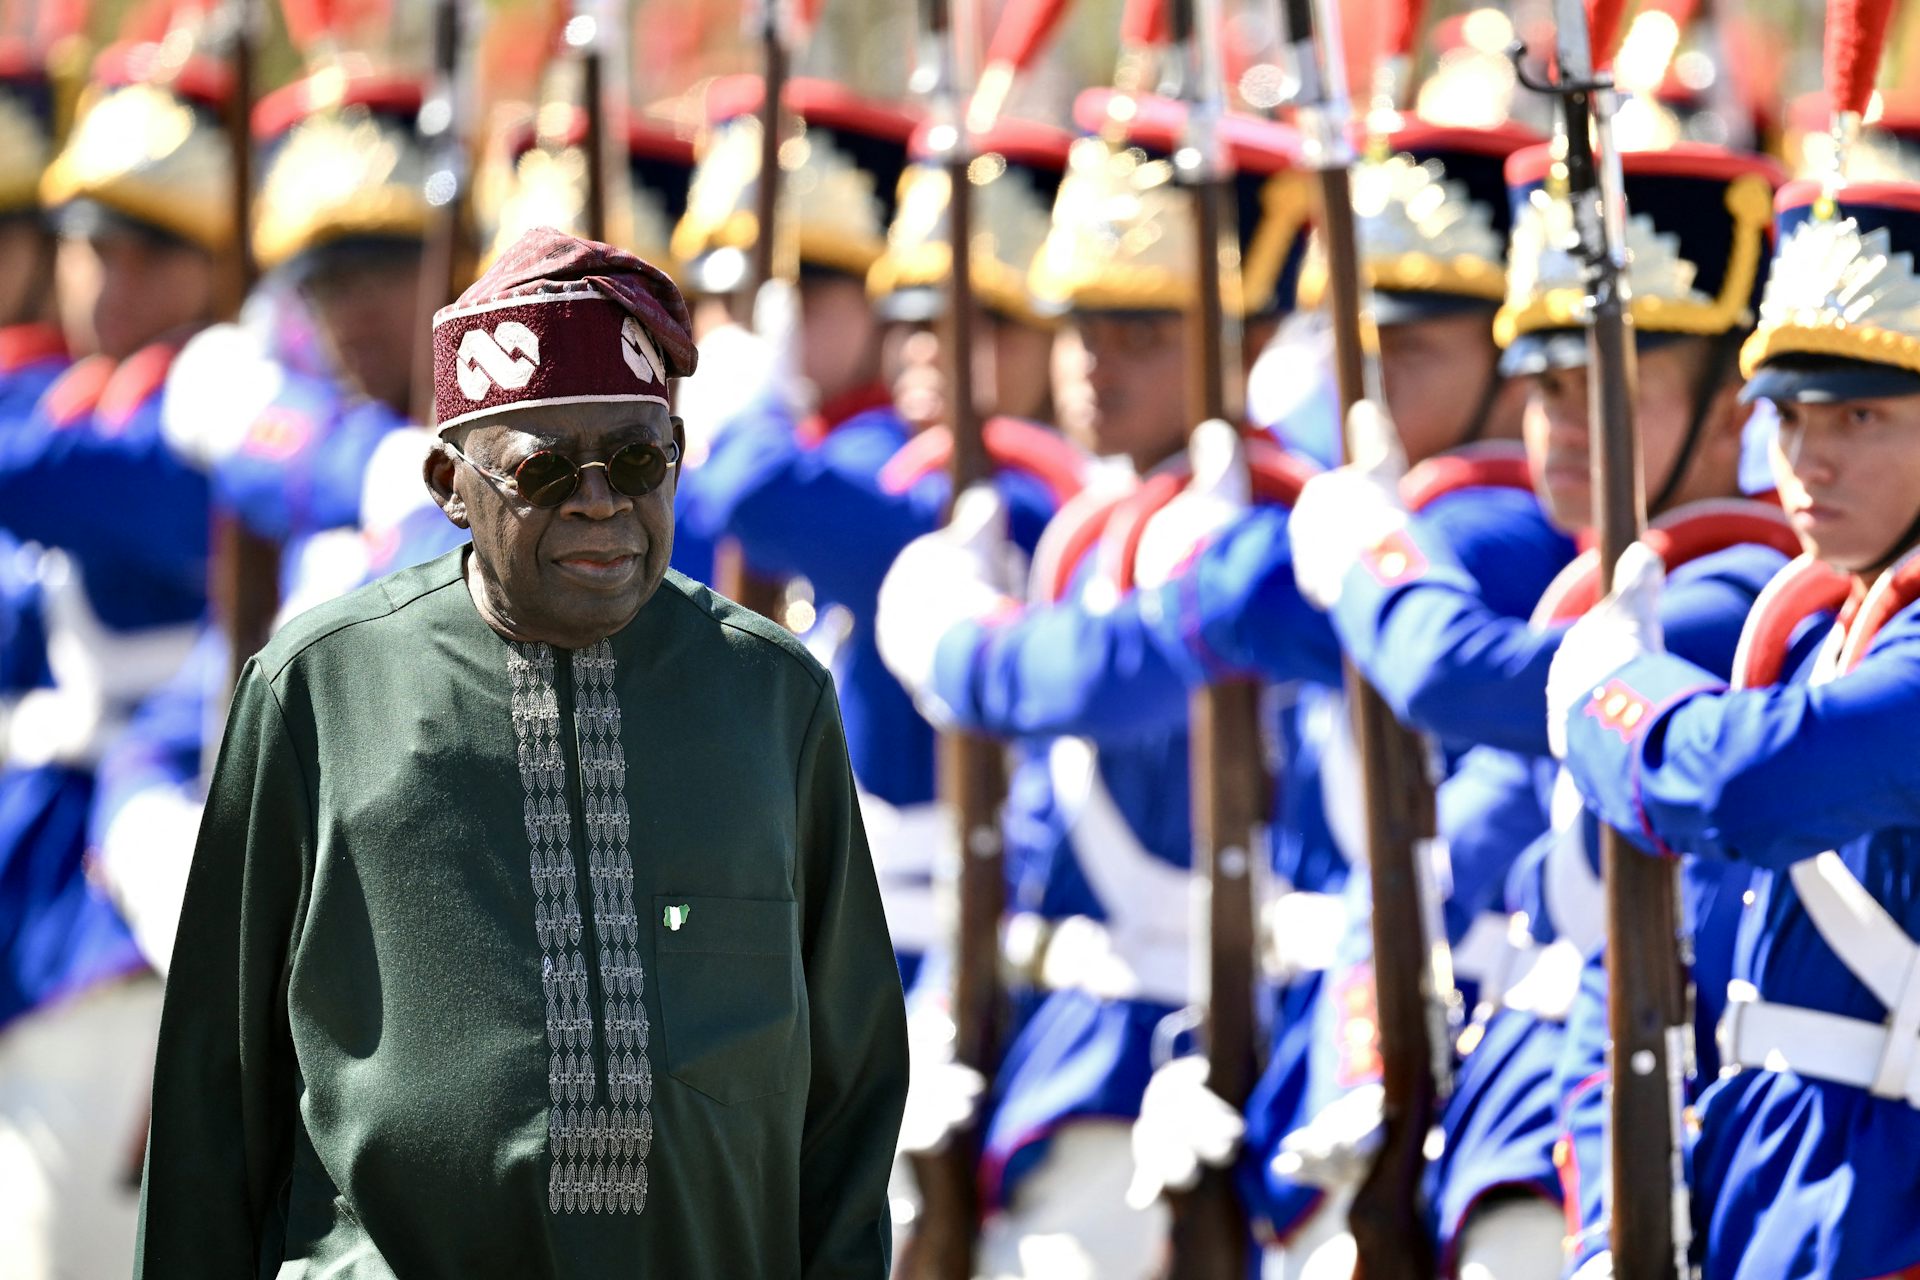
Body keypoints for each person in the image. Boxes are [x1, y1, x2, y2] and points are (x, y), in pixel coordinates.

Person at [136, 227, 907, 1276]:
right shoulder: (319, 687)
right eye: (544, 469)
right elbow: (214, 1098)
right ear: (450, 483)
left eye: (640, 458)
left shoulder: (772, 697)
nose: (602, 499)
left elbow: (851, 1100)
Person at [1550, 175, 1920, 1280]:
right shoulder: (1828, 624)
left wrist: (1609, 693)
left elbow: (1740, 786)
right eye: (1793, 417)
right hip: (1777, 1175)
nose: (1808, 461)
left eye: (1862, 417)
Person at [0, 29, 234, 1277]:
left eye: (153, 249)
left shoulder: (190, 432)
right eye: (95, 242)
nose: (112, 278)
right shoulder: (63, 406)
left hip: (125, 921)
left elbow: (38, 473)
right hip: (41, 900)